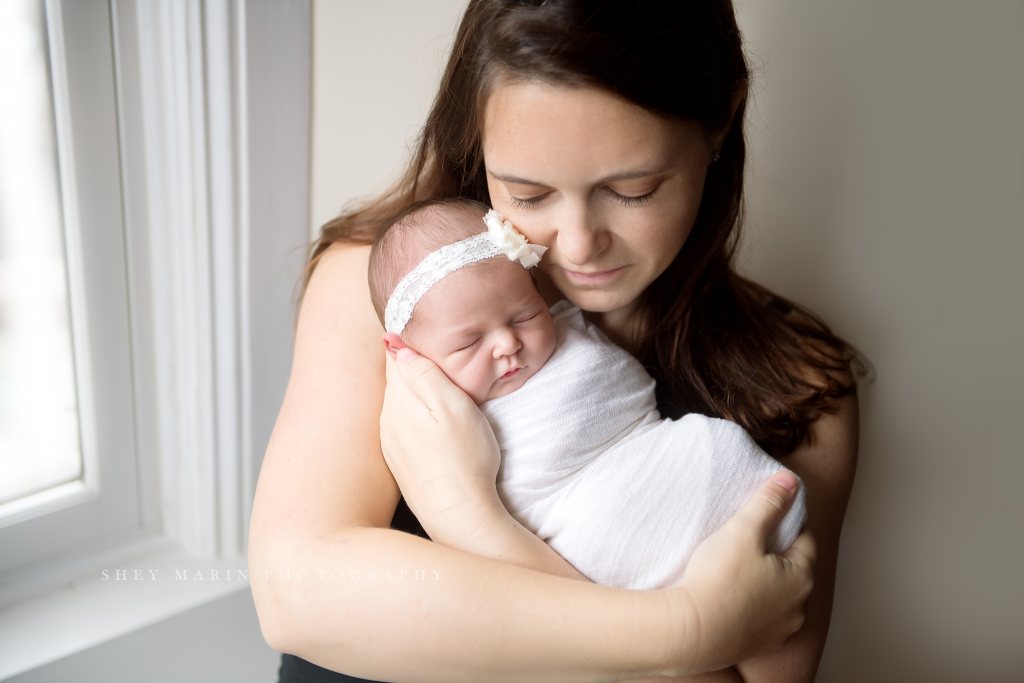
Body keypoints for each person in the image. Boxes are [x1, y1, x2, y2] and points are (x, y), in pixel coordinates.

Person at [250, 1, 860, 681]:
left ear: (721, 120)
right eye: (528, 194)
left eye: (634, 190)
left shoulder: (795, 386)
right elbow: (295, 595)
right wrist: (684, 632)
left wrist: (472, 517)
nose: (576, 244)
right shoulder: (398, 294)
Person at [370, 199, 808, 591]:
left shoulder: (568, 327)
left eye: (525, 315)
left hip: (657, 453)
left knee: (720, 447)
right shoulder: (436, 411)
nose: (507, 344)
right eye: (469, 344)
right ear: (408, 353)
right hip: (584, 524)